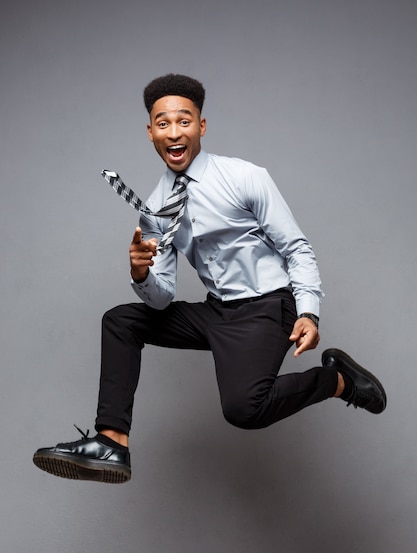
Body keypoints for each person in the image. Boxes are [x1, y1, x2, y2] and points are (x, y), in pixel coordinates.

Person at [33, 73, 386, 484]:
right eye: (163, 123)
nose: (174, 131)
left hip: (268, 306)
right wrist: (140, 272)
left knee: (244, 410)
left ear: (201, 126)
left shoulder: (245, 177)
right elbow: (161, 300)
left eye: (184, 121)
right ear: (150, 133)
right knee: (121, 320)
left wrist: (309, 313)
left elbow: (297, 249)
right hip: (217, 312)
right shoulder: (155, 208)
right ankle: (112, 440)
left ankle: (337, 380)